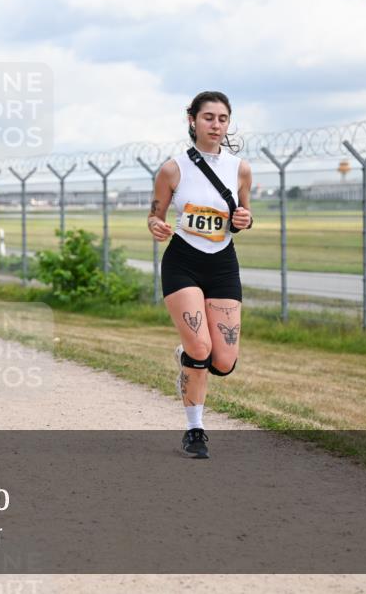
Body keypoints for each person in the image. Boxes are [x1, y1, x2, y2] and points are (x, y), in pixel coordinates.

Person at [147, 91, 253, 458]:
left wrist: (245, 219)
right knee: (200, 348)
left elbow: (243, 216)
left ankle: (186, 358)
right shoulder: (173, 169)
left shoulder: (240, 168)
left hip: (222, 264)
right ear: (192, 119)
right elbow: (155, 214)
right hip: (183, 262)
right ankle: (195, 430)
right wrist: (156, 226)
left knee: (223, 361)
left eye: (223, 118)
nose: (216, 125)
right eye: (209, 117)